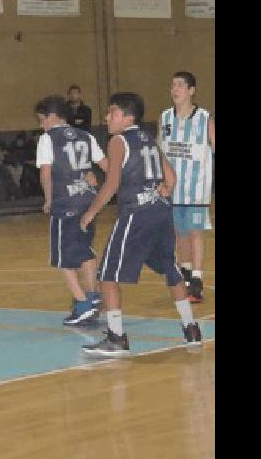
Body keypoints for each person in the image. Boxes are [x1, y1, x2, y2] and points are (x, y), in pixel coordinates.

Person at [79, 92, 202, 356]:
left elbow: (111, 184)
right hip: (160, 211)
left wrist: (90, 212)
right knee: (170, 269)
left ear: (127, 117)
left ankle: (116, 338)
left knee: (107, 276)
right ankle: (191, 329)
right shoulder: (149, 139)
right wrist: (166, 189)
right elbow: (171, 177)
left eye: (112, 113)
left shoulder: (118, 141)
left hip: (137, 213)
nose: (107, 117)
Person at [34, 95, 108, 325]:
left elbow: (46, 173)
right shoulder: (86, 136)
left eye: (41, 119)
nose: (41, 125)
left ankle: (83, 303)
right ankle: (93, 296)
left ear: (52, 116)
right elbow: (107, 165)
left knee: (64, 259)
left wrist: (48, 200)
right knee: (86, 251)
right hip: (88, 202)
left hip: (65, 203)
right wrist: (99, 184)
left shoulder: (48, 139)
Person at [158, 71, 214, 303]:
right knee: (178, 234)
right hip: (172, 187)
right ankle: (186, 274)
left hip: (196, 186)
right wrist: (160, 178)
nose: (175, 89)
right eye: (173, 85)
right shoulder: (165, 117)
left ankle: (197, 280)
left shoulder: (204, 117)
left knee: (194, 232)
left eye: (180, 85)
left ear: (191, 90)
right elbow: (159, 148)